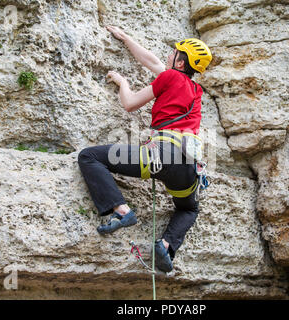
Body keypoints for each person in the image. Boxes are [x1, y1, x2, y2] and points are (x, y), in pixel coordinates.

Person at [77, 25, 212, 273]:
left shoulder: (170, 77)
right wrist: (127, 37)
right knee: (189, 209)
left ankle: (122, 210)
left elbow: (129, 104)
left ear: (181, 63)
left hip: (160, 155)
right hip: (189, 167)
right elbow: (153, 62)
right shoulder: (195, 89)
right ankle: (166, 245)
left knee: (89, 156)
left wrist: (123, 82)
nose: (169, 55)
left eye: (174, 52)